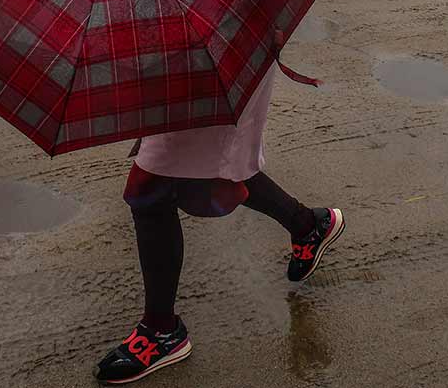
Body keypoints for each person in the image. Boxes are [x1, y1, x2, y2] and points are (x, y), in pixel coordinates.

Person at [95, 66, 345, 384]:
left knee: (151, 188)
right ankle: (307, 225)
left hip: (212, 61)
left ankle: (161, 331)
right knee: (205, 165)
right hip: (186, 62)